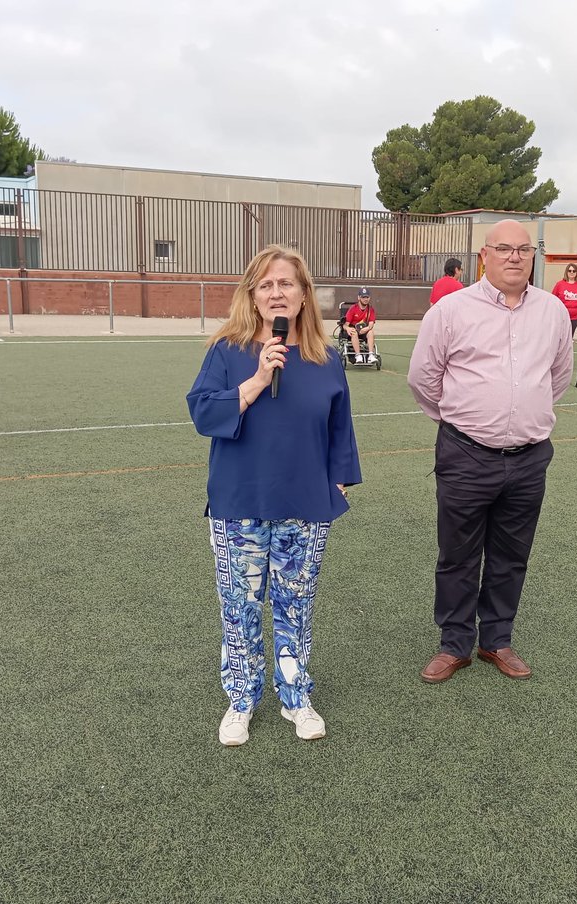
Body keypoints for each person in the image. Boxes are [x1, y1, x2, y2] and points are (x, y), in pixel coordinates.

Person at [186, 245, 361, 747]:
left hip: (304, 502)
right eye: (266, 284)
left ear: (304, 296)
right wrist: (258, 378)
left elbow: (339, 424)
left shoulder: (325, 358)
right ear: (253, 296)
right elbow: (203, 414)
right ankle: (241, 698)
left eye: (287, 283)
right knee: (239, 606)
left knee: (295, 603)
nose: (277, 292)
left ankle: (295, 696)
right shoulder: (227, 350)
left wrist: (340, 474)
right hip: (239, 500)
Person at [407, 219, 574, 684]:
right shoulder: (451, 310)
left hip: (529, 457)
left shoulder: (553, 311)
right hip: (465, 454)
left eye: (523, 249)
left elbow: (557, 376)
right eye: (504, 248)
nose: (515, 257)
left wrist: (522, 414)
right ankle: (454, 643)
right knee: (458, 555)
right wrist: (464, 419)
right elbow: (424, 378)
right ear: (484, 255)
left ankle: (496, 640)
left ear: (533, 256)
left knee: (511, 554)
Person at [343, 287, 377, 363]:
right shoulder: (353, 309)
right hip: (353, 330)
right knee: (354, 332)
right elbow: (345, 325)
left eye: (367, 297)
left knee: (371, 331)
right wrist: (348, 329)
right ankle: (358, 356)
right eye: (363, 297)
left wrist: (367, 328)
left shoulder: (370, 310)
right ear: (359, 297)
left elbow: (371, 324)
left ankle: (371, 355)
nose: (365, 299)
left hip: (364, 330)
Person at [551, 263, 577, 337]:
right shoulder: (559, 284)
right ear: (566, 272)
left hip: (575, 316)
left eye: (574, 271)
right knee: (560, 336)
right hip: (562, 315)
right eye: (570, 270)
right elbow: (553, 298)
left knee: (570, 336)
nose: (572, 272)